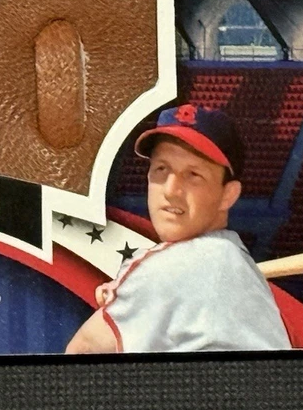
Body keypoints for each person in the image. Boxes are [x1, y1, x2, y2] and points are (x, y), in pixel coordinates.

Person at [65, 103, 291, 353]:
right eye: (161, 169)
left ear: (228, 195)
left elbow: (82, 351)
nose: (171, 190)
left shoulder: (175, 265)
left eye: (193, 175)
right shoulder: (235, 263)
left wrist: (140, 287)